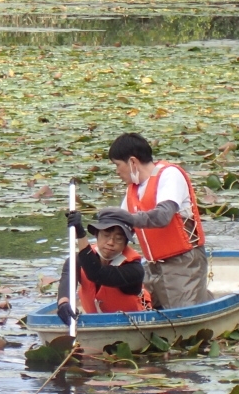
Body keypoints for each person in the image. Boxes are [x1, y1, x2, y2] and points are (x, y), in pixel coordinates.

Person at [69, 133, 210, 312]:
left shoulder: (169, 175)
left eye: (117, 165)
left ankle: (203, 301)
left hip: (184, 263)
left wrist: (127, 217)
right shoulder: (133, 190)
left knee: (184, 314)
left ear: (132, 162)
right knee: (143, 306)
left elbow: (162, 216)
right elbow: (118, 229)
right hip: (152, 265)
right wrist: (84, 233)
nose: (117, 171)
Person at [56, 208, 147, 324]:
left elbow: (96, 273)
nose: (110, 242)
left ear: (126, 242)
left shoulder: (134, 269)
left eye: (119, 239)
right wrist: (63, 303)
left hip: (131, 323)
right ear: (97, 234)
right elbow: (68, 280)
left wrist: (80, 234)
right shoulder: (77, 260)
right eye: (106, 235)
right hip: (93, 321)